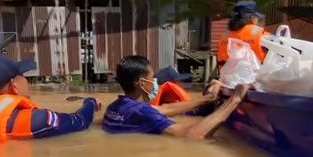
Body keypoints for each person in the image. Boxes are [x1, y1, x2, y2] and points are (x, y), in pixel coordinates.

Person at [0, 54, 101, 142]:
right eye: (24, 76)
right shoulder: (37, 120)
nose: (27, 81)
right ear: (14, 85)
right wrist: (90, 103)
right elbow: (81, 122)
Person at [102, 55, 250, 139]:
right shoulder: (142, 112)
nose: (155, 81)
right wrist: (235, 99)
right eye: (152, 77)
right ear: (142, 83)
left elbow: (164, 109)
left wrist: (208, 98)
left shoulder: (116, 107)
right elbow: (191, 135)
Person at [217, 0, 271, 67]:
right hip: (256, 76)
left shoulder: (224, 36)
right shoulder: (261, 34)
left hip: (228, 76)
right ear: (253, 18)